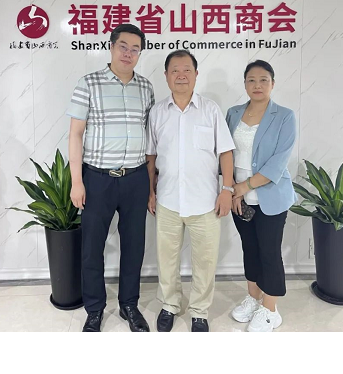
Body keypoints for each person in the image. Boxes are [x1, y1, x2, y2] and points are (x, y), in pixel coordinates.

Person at [66, 24, 155, 332]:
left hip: (135, 178)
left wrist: (151, 184)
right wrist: (77, 181)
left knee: (134, 245)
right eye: (123, 47)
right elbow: (75, 134)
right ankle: (94, 309)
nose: (128, 53)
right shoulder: (88, 83)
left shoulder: (146, 87)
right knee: (92, 247)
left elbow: (150, 138)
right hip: (97, 179)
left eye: (135, 49)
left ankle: (129, 304)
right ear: (112, 47)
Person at [146, 50, 235, 332]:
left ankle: (199, 311)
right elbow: (151, 157)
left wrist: (227, 189)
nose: (181, 75)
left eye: (187, 70)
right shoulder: (157, 112)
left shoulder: (211, 110)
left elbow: (226, 152)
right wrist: (150, 192)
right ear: (166, 76)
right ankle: (170, 304)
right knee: (167, 259)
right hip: (168, 200)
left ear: (196, 75)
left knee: (205, 261)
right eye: (175, 70)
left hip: (206, 202)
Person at [225, 59, 297, 332]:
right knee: (250, 250)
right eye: (251, 80)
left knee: (269, 252)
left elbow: (278, 162)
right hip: (239, 197)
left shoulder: (285, 116)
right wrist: (232, 189)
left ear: (273, 83)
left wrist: (244, 186)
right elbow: (225, 153)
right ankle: (254, 298)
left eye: (263, 80)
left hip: (270, 196)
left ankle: (270, 309)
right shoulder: (233, 113)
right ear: (245, 84)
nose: (257, 85)